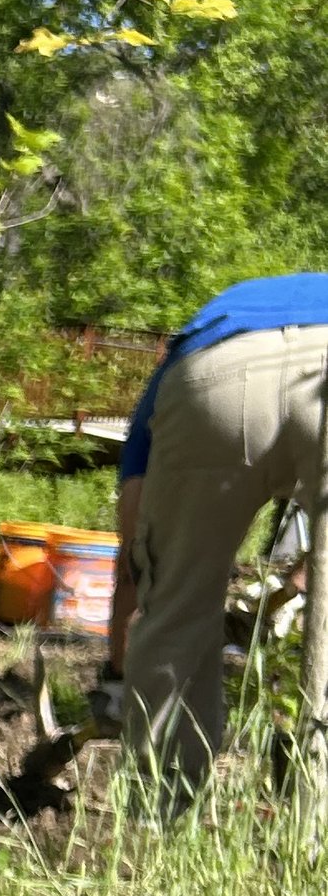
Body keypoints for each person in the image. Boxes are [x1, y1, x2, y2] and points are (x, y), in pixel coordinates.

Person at [110, 271, 328, 783]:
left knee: (178, 609)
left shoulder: (187, 341)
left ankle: (161, 814)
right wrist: (304, 575)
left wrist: (122, 666)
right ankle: (317, 820)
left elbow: (134, 541)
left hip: (213, 371)